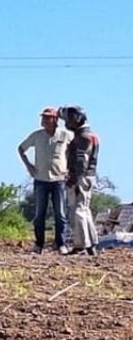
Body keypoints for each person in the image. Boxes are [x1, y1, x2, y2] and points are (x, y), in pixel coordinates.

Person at [18, 106, 72, 253]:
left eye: (48, 118)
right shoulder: (36, 135)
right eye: (43, 117)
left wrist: (70, 169)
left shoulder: (65, 135)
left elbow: (74, 151)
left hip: (59, 179)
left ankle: (61, 244)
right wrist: (29, 166)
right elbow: (21, 149)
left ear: (55, 120)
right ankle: (39, 244)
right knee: (39, 214)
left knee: (60, 214)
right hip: (41, 179)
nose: (44, 120)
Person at [60, 105, 101, 256]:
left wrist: (74, 178)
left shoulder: (82, 137)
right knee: (85, 209)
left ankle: (81, 245)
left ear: (77, 119)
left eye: (69, 119)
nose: (67, 122)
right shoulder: (91, 135)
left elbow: (81, 160)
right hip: (88, 176)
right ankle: (91, 244)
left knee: (78, 211)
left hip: (81, 177)